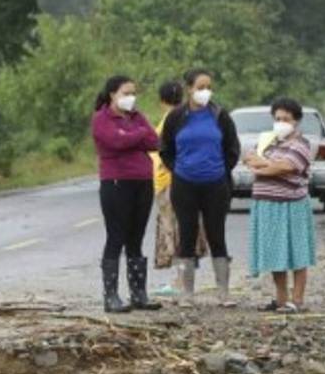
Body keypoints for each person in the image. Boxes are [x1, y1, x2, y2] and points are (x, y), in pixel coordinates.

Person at [159, 68, 241, 307]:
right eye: (200, 87)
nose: (205, 92)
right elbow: (165, 148)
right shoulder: (176, 117)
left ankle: (223, 292)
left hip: (215, 183)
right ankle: (187, 293)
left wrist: (220, 169)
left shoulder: (220, 116)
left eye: (208, 87)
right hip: (185, 184)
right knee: (186, 236)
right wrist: (179, 167)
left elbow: (232, 148)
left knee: (217, 235)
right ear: (189, 89)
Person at [91, 74, 161, 313]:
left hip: (142, 181)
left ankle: (139, 293)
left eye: (133, 93)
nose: (131, 98)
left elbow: (155, 142)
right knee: (116, 236)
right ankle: (110, 295)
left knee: (136, 238)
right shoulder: (102, 118)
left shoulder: (137, 117)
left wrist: (135, 135)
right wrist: (138, 135)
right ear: (112, 94)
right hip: (116, 182)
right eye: (126, 93)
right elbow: (114, 142)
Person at [244, 98, 317, 312]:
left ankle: (297, 300)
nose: (281, 123)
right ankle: (281, 299)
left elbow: (286, 167)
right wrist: (267, 166)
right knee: (276, 254)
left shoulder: (301, 144)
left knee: (297, 252)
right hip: (266, 205)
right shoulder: (268, 141)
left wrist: (264, 165)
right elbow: (249, 159)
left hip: (291, 206)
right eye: (277, 119)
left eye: (286, 119)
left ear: (296, 121)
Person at [150, 80, 208, 295]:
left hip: (171, 181)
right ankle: (182, 280)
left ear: (161, 100)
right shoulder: (188, 117)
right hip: (182, 179)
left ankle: (181, 282)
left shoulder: (170, 120)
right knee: (182, 229)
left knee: (175, 230)